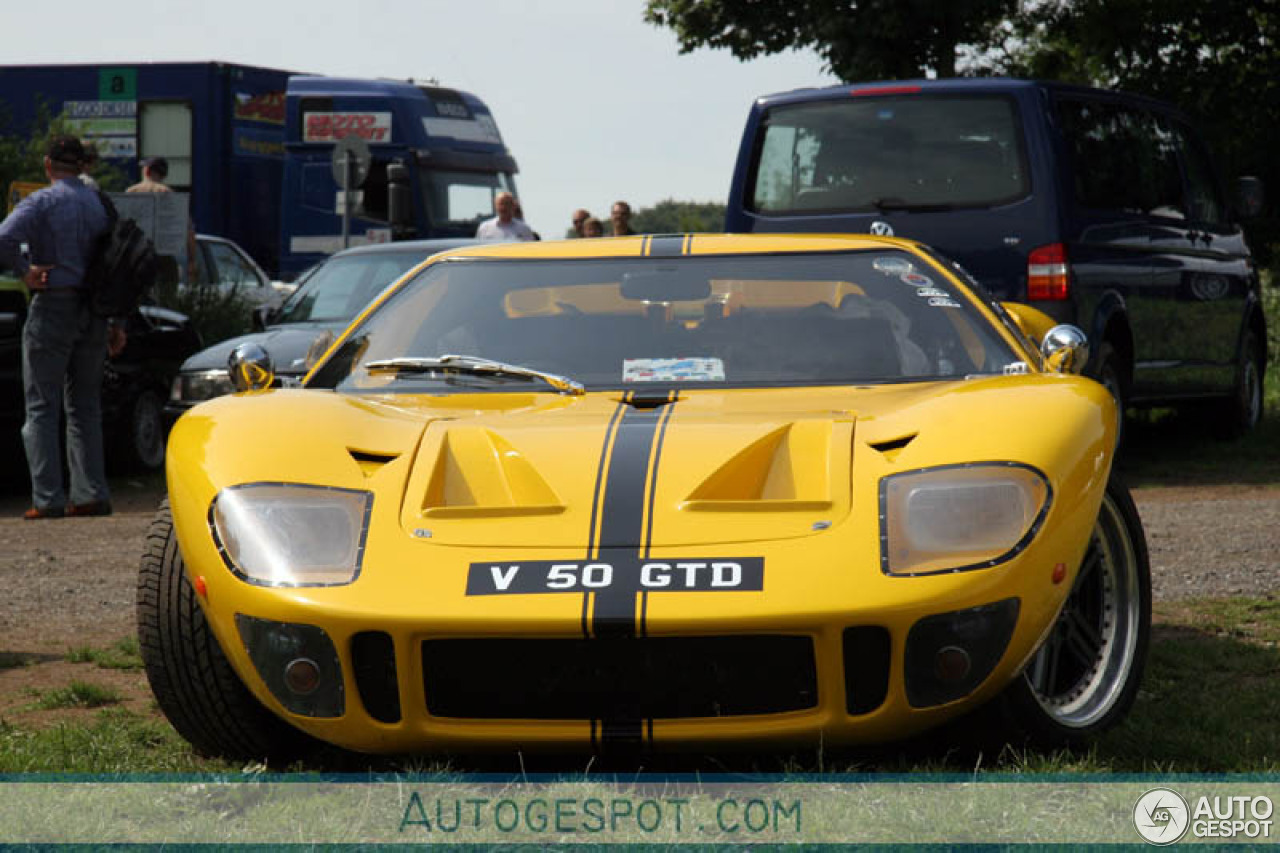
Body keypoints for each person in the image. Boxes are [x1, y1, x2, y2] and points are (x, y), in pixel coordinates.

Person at [0, 135, 122, 519]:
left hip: (54, 304)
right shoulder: (99, 203)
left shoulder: (42, 201)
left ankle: (48, 498)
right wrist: (118, 320)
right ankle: (91, 493)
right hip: (95, 310)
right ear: (83, 164)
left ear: (48, 164)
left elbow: (3, 237)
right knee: (85, 404)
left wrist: (25, 272)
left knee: (41, 404)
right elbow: (116, 261)